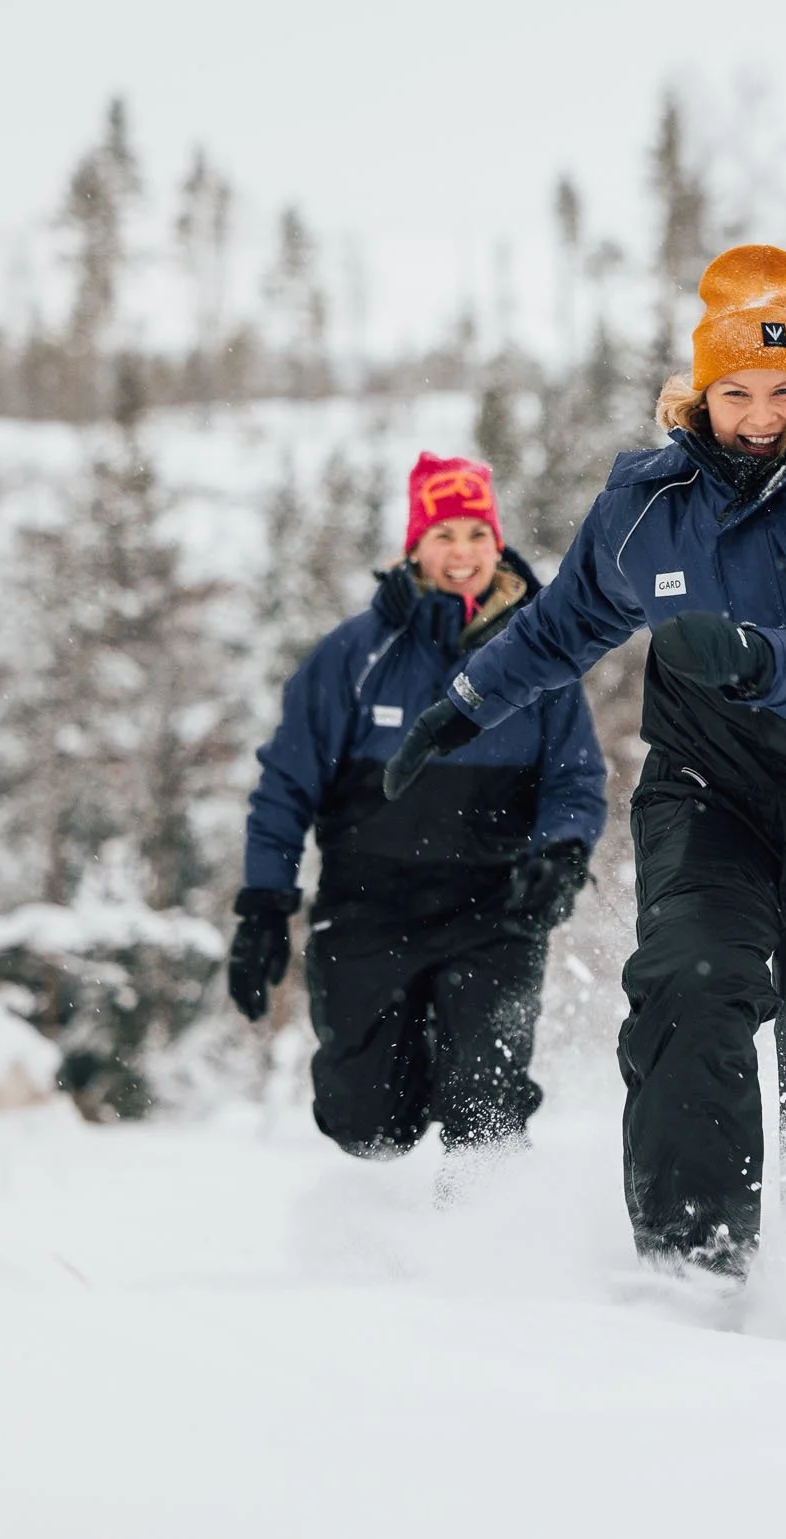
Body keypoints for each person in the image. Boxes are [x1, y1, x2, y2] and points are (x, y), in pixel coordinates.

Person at [383, 245, 786, 1304]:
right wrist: (462, 705)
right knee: (688, 985)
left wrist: (760, 655)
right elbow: (562, 626)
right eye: (738, 391)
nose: (762, 412)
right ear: (700, 393)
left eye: (785, 389)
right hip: (709, 793)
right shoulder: (649, 504)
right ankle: (694, 1270)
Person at [230, 453, 607, 1162]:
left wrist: (561, 850)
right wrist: (263, 902)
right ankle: (380, 1241)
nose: (461, 552)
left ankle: (477, 1241)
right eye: (444, 534)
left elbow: (576, 778)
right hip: (368, 908)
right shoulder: (353, 655)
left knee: (486, 1104)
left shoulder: (539, 654)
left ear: (497, 542)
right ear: (415, 547)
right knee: (365, 1122)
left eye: (475, 533)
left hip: (496, 908)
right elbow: (286, 782)